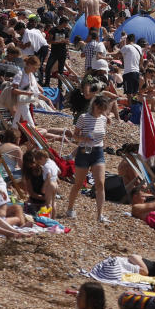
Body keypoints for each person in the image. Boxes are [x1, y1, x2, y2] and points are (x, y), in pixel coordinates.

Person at [65, 95, 111, 223]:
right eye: (100, 108)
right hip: (84, 151)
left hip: (98, 152)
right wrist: (84, 139)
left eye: (104, 109)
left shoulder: (103, 119)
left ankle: (100, 215)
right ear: (94, 105)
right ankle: (70, 208)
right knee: (78, 184)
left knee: (100, 183)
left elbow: (101, 135)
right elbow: (75, 136)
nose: (101, 111)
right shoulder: (83, 118)